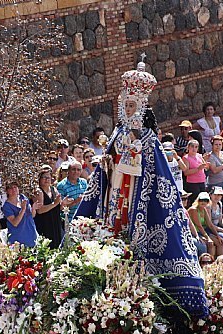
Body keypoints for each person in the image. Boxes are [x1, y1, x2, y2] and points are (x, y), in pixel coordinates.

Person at [75, 60, 207, 318]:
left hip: (140, 201)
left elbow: (158, 174)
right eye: (125, 104)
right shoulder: (116, 134)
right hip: (116, 192)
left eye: (132, 105)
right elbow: (109, 163)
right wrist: (108, 163)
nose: (128, 108)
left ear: (141, 107)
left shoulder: (148, 140)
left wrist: (132, 160)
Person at [33, 168, 65, 249]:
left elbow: (59, 207)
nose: (47, 180)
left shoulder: (54, 189)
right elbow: (40, 210)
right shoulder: (38, 192)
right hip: (44, 224)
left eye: (48, 178)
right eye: (44, 177)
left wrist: (65, 203)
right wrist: (54, 204)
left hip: (55, 223)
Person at [3, 181, 40, 247]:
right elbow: (15, 223)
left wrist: (33, 209)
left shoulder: (23, 197)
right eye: (10, 188)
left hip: (31, 235)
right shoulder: (6, 206)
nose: (14, 189)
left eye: (15, 187)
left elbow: (32, 215)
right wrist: (23, 210)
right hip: (18, 240)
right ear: (7, 191)